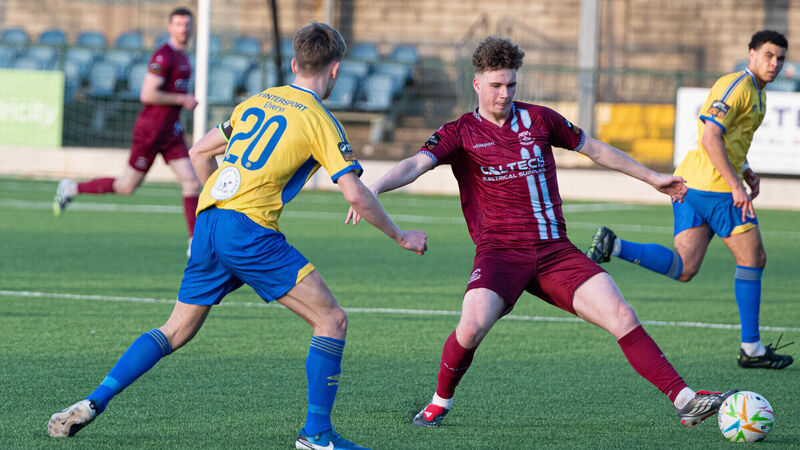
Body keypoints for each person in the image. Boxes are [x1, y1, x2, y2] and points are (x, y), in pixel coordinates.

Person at [48, 21, 427, 450]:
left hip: (210, 220)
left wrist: (218, 199)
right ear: (335, 70)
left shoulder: (257, 101)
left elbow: (197, 151)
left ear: (293, 63)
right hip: (248, 231)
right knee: (332, 320)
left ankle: (94, 401)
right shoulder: (321, 120)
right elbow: (356, 195)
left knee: (175, 329)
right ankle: (317, 435)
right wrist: (401, 236)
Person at [346, 36, 735, 429]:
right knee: (471, 326)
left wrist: (653, 178)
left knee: (621, 313)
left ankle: (686, 400)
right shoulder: (460, 132)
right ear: (477, 83)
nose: (505, 93)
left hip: (555, 252)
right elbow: (416, 164)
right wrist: (374, 188)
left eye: (511, 84)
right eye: (496, 85)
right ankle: (438, 402)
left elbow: (596, 150)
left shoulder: (541, 119)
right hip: (499, 253)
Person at [585, 30, 793, 370]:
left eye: (780, 58)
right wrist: (735, 186)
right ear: (751, 54)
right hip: (714, 188)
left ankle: (615, 245)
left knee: (684, 268)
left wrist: (747, 169)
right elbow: (710, 135)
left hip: (692, 185)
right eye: (768, 55)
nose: (774, 63)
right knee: (753, 257)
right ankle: (752, 348)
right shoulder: (737, 86)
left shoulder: (758, 94)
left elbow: (731, 141)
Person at [54, 7, 202, 256]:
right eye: (178, 24)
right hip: (151, 131)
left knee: (191, 181)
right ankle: (71, 188)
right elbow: (147, 94)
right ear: (170, 27)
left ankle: (194, 242)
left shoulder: (184, 56)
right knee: (126, 186)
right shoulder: (163, 56)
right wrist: (182, 99)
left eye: (187, 24)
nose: (183, 29)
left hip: (171, 131)